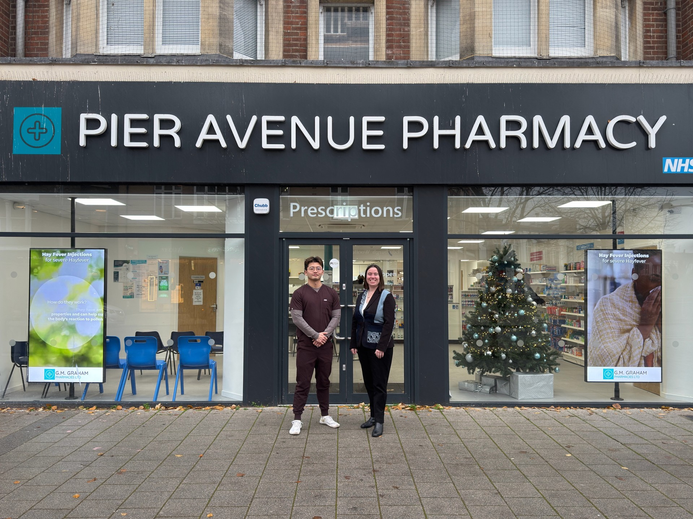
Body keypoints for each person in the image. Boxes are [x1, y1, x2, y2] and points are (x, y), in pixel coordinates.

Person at [289, 256, 341, 435]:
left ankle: (325, 415)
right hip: (306, 345)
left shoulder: (331, 293)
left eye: (318, 268)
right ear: (306, 272)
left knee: (324, 381)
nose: (315, 271)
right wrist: (315, 335)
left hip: (325, 345)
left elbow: (336, 316)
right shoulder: (299, 293)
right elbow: (297, 318)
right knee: (302, 382)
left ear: (323, 272)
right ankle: (297, 419)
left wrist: (324, 335)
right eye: (311, 268)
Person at [588, 253, 662, 367]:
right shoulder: (609, 305)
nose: (660, 287)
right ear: (634, 275)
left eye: (665, 281)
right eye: (654, 279)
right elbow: (604, 363)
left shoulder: (673, 306)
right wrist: (645, 325)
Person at [350, 264, 396, 437]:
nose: (372, 277)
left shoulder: (387, 296)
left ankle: (380, 421)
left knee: (379, 385)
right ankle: (372, 416)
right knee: (369, 383)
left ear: (380, 277)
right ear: (366, 277)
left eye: (375, 274)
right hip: (363, 346)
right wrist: (353, 343)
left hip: (379, 348)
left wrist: (381, 347)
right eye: (369, 274)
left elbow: (389, 324)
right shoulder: (362, 295)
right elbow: (356, 320)